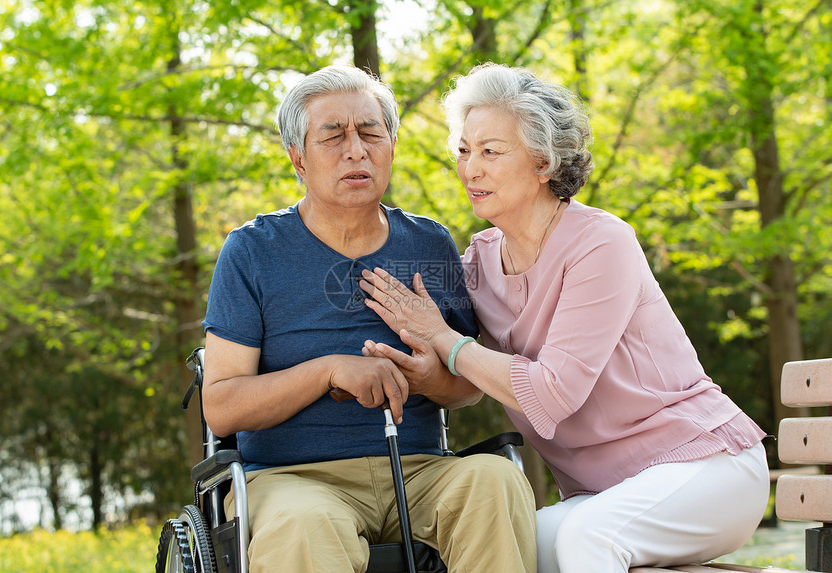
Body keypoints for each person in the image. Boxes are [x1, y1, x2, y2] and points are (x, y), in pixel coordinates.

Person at [359, 63, 770, 573]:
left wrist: (446, 342)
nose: (471, 169)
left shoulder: (602, 243)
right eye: (464, 151)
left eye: (491, 151)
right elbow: (431, 343)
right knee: (507, 546)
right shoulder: (479, 264)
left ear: (543, 162)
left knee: (584, 539)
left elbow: (552, 392)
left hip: (705, 468)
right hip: (603, 493)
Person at [200, 64, 537, 572]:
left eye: (370, 132)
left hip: (419, 470)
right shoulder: (252, 252)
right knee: (304, 523)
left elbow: (468, 386)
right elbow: (222, 407)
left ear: (392, 146)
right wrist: (328, 371)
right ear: (298, 158)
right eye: (332, 136)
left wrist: (430, 379)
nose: (355, 150)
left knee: (495, 480)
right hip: (295, 479)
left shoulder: (429, 244)